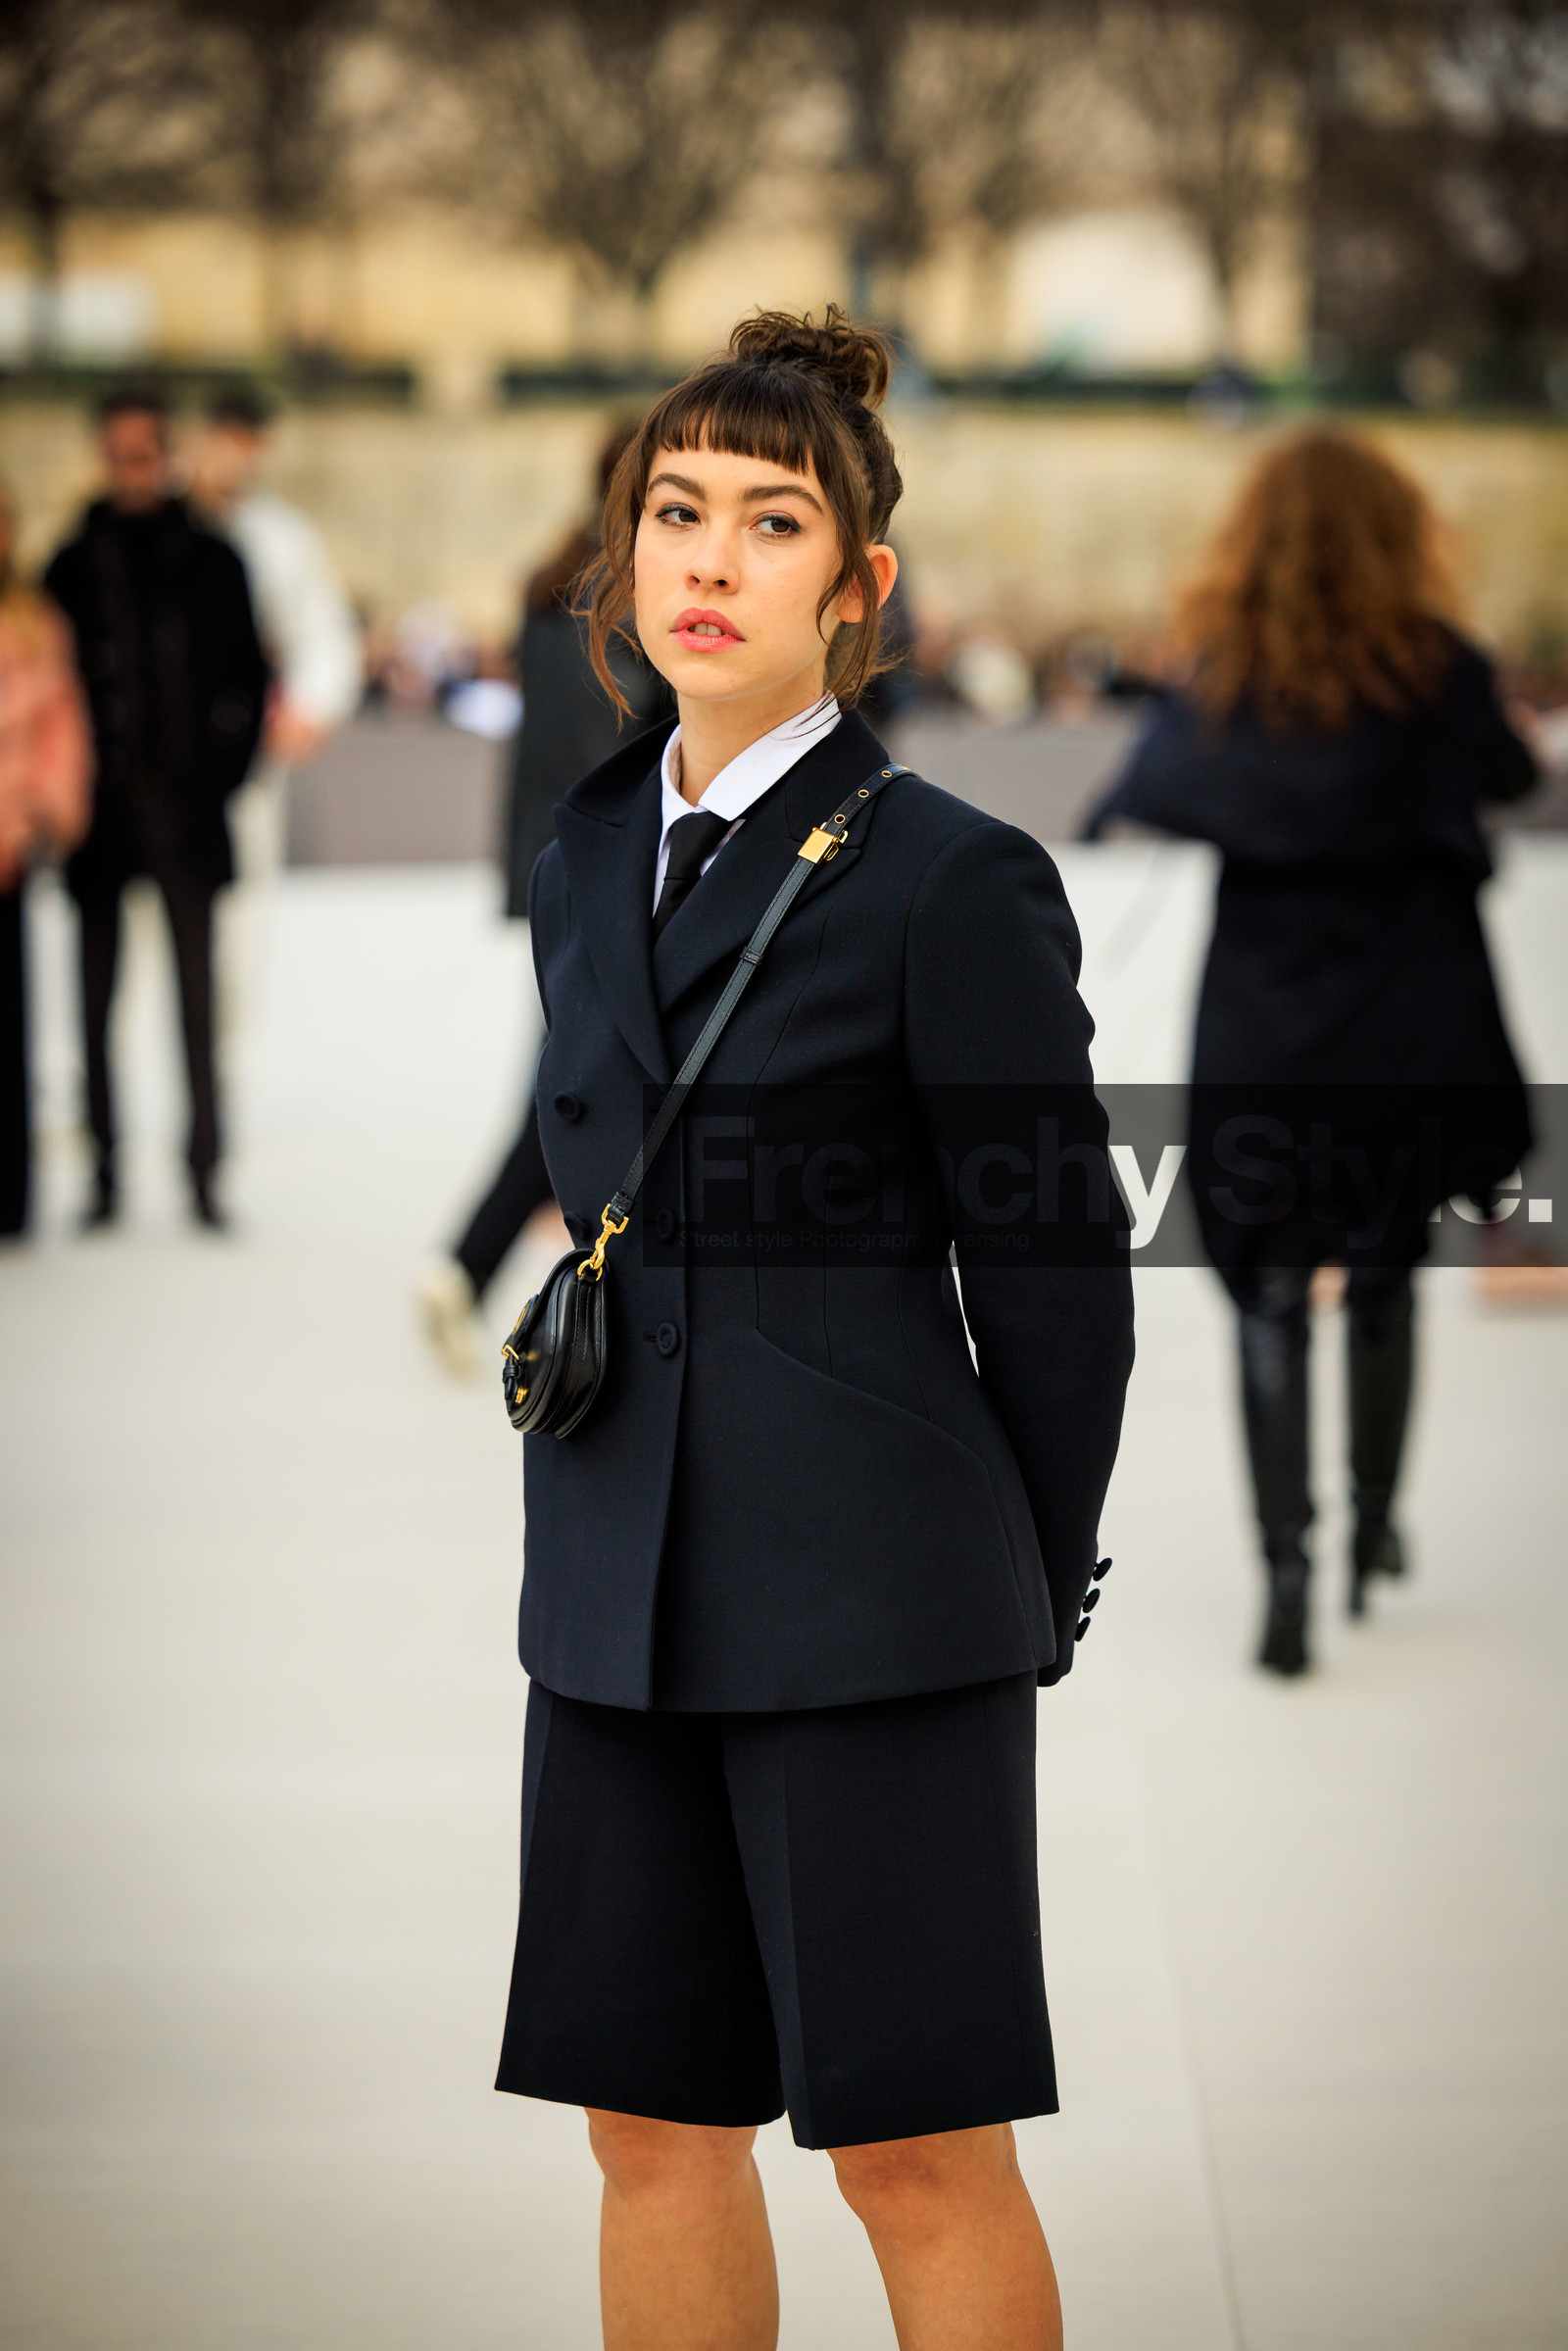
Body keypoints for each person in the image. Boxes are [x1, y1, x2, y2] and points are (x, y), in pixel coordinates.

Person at [494, 310, 1134, 2351]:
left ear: (857, 591)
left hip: (878, 1610)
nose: (707, 557)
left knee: (914, 2154)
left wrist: (1009, 1584)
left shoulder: (957, 882)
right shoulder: (586, 845)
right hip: (612, 1586)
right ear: (620, 556)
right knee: (645, 2128)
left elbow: (1055, 1283)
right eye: (671, 510)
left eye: (770, 523)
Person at [1085, 428, 1538, 1674]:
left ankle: (1283, 1571)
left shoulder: (1229, 676)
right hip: (1410, 1017)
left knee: (1269, 1285)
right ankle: (1373, 1525)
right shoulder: (1438, 671)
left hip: (1267, 1027)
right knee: (1387, 1273)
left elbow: (1147, 787)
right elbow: (1505, 772)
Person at [417, 421, 668, 1373]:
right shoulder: (617, 595)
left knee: (578, 1072)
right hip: (617, 870)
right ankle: (470, 1264)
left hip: (572, 863)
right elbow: (610, 742)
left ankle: (484, 1267)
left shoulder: (556, 579)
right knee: (576, 1079)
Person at [46, 386, 268, 1228]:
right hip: (98, 817)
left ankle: (204, 1170)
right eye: (120, 455)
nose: (133, 470)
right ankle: (103, 1170)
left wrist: (222, 774)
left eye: (145, 453)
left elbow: (249, 677)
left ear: (166, 455)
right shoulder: (71, 563)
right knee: (92, 1000)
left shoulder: (216, 558)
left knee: (196, 997)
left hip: (188, 808)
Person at [186, 384, 362, 1036]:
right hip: (158, 755)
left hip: (240, 754)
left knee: (237, 923)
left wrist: (311, 706)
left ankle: (215, 1080)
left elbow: (322, 633)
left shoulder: (281, 538)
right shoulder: (165, 525)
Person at [0, 479, 92, 1234]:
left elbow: (59, 724)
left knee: (13, 1024)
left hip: (9, 839)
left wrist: (40, 809)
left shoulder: (32, 622)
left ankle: (12, 1193)